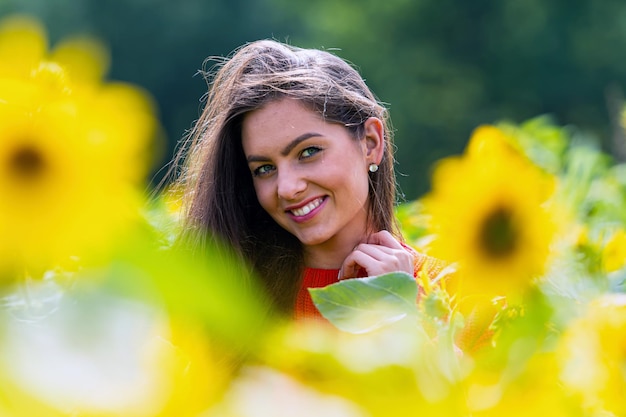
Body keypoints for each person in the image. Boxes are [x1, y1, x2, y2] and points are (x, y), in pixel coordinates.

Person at [169, 39, 445, 321]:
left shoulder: (459, 298)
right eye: (264, 169)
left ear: (371, 144)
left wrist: (408, 314)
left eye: (308, 152)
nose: (287, 188)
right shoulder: (232, 309)